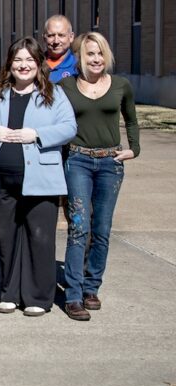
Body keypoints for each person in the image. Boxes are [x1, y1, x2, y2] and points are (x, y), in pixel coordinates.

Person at [0, 37, 76, 317]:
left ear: (39, 63)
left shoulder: (52, 94)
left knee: (39, 239)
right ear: (10, 64)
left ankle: (38, 297)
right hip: (3, 179)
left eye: (29, 59)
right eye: (18, 60)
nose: (23, 65)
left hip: (41, 180)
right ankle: (10, 293)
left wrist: (37, 134)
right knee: (8, 237)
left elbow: (69, 128)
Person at [59, 32, 140, 321]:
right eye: (90, 54)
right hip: (78, 160)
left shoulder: (121, 85)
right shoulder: (66, 86)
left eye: (100, 54)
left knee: (102, 230)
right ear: (80, 58)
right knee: (79, 227)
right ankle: (73, 295)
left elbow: (131, 118)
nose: (96, 59)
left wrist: (135, 149)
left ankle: (92, 287)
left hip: (111, 163)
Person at [43, 14, 77, 83]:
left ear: (71, 37)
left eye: (61, 35)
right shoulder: (35, 64)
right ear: (44, 38)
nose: (56, 41)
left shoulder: (78, 66)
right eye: (51, 36)